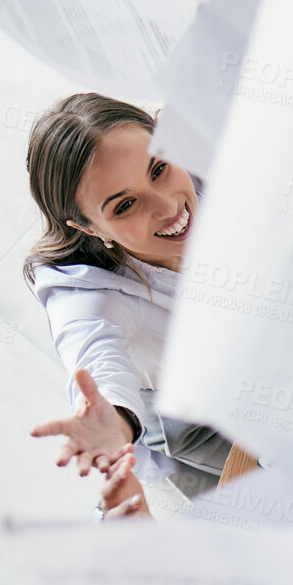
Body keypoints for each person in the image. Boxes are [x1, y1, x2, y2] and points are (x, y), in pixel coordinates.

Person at [24, 92, 231, 498]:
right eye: (126, 205)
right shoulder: (85, 296)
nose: (168, 206)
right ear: (90, 229)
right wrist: (112, 421)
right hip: (202, 416)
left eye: (158, 168)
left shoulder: (204, 155)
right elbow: (96, 359)